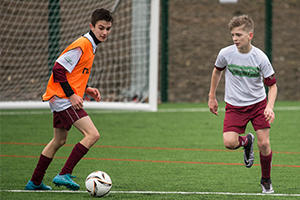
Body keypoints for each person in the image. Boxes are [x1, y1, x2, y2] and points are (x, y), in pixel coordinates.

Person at [25, 8, 113, 191]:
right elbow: (58, 69)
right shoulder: (83, 44)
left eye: (108, 28)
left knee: (59, 140)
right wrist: (72, 95)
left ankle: (35, 181)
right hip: (63, 99)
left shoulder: (91, 45)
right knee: (93, 135)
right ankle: (64, 173)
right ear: (92, 26)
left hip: (60, 97)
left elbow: (72, 73)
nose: (104, 32)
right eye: (101, 28)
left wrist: (86, 89)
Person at [208, 15, 277, 194]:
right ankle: (246, 141)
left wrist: (269, 107)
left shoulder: (260, 57)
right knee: (229, 143)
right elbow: (217, 72)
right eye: (232, 35)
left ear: (250, 35)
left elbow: (272, 86)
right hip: (234, 106)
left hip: (258, 105)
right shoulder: (225, 53)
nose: (235, 39)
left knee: (264, 144)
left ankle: (266, 180)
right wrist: (212, 97)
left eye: (238, 34)